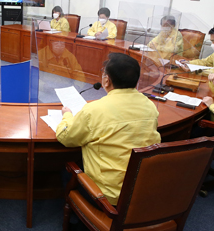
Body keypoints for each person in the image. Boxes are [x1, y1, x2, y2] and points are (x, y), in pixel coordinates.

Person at [56, 52, 160, 206]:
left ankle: (84, 223)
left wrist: (67, 116)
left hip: (108, 197)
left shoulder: (95, 110)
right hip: (141, 187)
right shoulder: (150, 105)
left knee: (66, 171)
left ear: (106, 80)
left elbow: (66, 138)